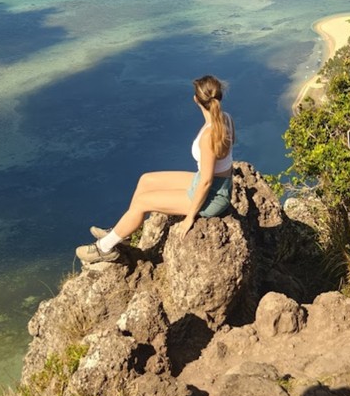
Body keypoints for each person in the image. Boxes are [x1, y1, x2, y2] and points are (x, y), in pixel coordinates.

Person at [76, 74, 235, 264]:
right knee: (146, 180)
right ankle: (123, 232)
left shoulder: (209, 135)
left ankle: (104, 248)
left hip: (212, 195)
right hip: (216, 183)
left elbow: (207, 181)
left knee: (143, 202)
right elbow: (225, 154)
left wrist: (190, 217)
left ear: (196, 100)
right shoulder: (226, 118)